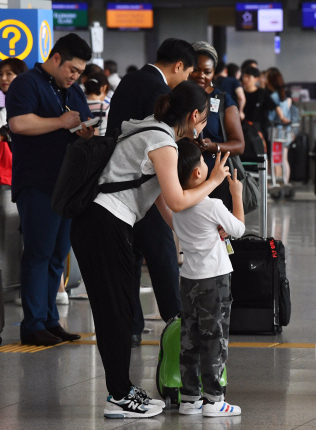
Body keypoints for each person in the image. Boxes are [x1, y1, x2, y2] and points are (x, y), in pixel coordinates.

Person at [70, 81, 232, 418]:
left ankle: (123, 389)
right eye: (202, 122)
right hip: (105, 223)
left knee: (121, 308)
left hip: (101, 223)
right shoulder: (162, 142)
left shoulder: (150, 130)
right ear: (194, 115)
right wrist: (214, 182)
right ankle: (118, 396)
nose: (202, 129)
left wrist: (196, 232)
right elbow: (175, 198)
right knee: (115, 311)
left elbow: (163, 201)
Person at [106, 38, 196, 347]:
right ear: (179, 66)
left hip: (116, 187)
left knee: (131, 261)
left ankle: (132, 326)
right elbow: (159, 147)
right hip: (140, 189)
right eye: (187, 75)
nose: (184, 82)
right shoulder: (158, 92)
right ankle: (176, 322)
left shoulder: (130, 79)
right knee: (162, 255)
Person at [6, 33, 95, 346]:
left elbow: (79, 120)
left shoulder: (72, 90)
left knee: (58, 256)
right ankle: (32, 324)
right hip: (38, 183)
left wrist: (86, 130)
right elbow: (18, 124)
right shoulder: (26, 83)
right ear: (56, 58)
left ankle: (50, 320)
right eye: (72, 68)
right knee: (38, 253)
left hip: (68, 185)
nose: (75, 76)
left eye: (80, 72)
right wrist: (60, 122)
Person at [173, 139, 244, 417]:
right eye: (203, 162)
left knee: (190, 338)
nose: (206, 164)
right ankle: (214, 400)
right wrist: (235, 192)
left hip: (188, 279)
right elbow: (237, 229)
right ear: (198, 174)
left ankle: (189, 398)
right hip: (214, 280)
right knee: (214, 338)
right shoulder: (212, 205)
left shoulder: (177, 205)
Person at [189, 41, 245, 210]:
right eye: (196, 70)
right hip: (184, 176)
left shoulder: (222, 100)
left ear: (214, 73)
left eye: (207, 71)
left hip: (217, 177)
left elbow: (239, 145)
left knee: (219, 233)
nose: (201, 76)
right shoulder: (176, 97)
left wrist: (213, 146)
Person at [242, 66, 290, 146]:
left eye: (249, 77)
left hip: (258, 128)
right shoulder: (241, 94)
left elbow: (275, 106)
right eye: (244, 76)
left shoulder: (261, 93)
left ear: (256, 79)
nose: (246, 79)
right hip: (243, 128)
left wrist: (282, 117)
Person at [266, 67, 293, 183]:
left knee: (274, 159)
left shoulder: (273, 97)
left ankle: (275, 183)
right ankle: (285, 182)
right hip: (285, 131)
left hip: (275, 131)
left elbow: (273, 116)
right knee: (284, 159)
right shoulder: (285, 96)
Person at [0, 58, 28, 132]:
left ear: (21, 76)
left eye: (9, 73)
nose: (3, 78)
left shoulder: (22, 99)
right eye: (0, 74)